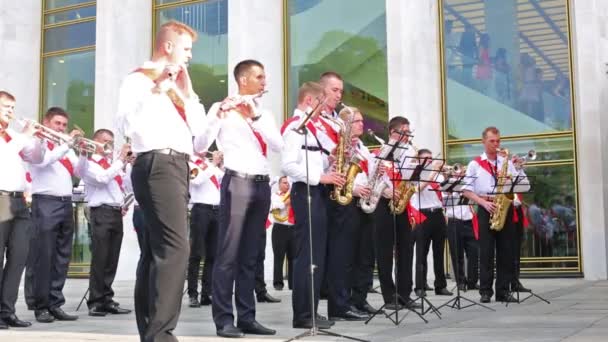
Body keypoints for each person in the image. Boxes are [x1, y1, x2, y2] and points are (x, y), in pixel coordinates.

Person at [114, 20, 207, 342]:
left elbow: (202, 138)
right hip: (157, 162)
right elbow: (127, 123)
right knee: (176, 248)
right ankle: (161, 334)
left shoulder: (179, 87)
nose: (190, 56)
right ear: (168, 47)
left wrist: (188, 93)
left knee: (157, 251)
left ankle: (151, 332)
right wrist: (156, 88)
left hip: (177, 164)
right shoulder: (139, 79)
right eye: (186, 49)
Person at [195, 60, 282, 338]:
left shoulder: (263, 113)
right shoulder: (220, 110)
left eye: (264, 77)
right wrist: (218, 114)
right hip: (236, 182)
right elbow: (199, 145)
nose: (264, 82)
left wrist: (254, 117)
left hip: (261, 184)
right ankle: (224, 320)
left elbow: (279, 146)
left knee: (251, 255)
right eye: (259, 77)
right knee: (228, 254)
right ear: (243, 79)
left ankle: (247, 317)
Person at [281, 81, 345, 329]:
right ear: (310, 100)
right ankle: (303, 314)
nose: (322, 109)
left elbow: (308, 160)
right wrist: (321, 177)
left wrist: (327, 162)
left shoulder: (309, 128)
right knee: (307, 255)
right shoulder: (296, 126)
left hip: (316, 191)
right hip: (305, 191)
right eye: (320, 103)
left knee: (316, 255)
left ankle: (312, 311)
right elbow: (288, 165)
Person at [462, 126, 530, 303]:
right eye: (492, 141)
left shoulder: (504, 161)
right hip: (486, 207)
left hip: (504, 208)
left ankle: (503, 291)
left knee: (506, 251)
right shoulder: (475, 164)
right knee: (485, 252)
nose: (496, 144)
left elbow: (520, 184)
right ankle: (485, 291)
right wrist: (483, 203)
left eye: (498, 141)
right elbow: (466, 191)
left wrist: (518, 169)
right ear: (483, 142)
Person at [26, 107, 81, 323]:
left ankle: (55, 303)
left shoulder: (65, 147)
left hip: (66, 203)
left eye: (64, 125)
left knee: (62, 258)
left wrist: (83, 154)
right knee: (44, 257)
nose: (61, 128)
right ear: (46, 123)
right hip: (45, 203)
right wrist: (67, 143)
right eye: (57, 123)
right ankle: (41, 306)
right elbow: (43, 160)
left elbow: (79, 171)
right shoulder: (37, 144)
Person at [0, 90, 45, 329]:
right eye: (6, 106)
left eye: (12, 107)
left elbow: (36, 158)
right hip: (0, 200)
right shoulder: (13, 138)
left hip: (19, 202)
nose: (11, 111)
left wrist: (36, 138)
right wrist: (25, 136)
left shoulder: (14, 135)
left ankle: (7, 311)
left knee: (18, 257)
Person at [77, 129, 132, 316]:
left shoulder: (112, 164)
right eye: (105, 141)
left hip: (116, 212)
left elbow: (126, 185)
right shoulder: (89, 164)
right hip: (100, 212)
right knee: (100, 258)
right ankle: (95, 301)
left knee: (112, 259)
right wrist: (120, 161)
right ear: (95, 142)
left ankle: (106, 298)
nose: (108, 145)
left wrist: (130, 164)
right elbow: (102, 179)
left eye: (111, 142)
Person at [373, 117, 420, 310]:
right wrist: (385, 190)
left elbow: (412, 181)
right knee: (385, 252)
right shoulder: (379, 153)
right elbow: (371, 179)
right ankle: (389, 296)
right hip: (383, 205)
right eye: (404, 133)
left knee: (406, 250)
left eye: (409, 133)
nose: (408, 137)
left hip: (402, 204)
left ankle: (404, 293)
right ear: (393, 132)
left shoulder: (408, 155)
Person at [347, 110, 378, 315]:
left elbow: (370, 173)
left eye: (361, 120)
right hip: (349, 202)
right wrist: (353, 189)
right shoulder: (343, 147)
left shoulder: (363, 148)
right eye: (356, 121)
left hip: (366, 204)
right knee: (349, 256)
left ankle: (361, 298)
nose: (361, 124)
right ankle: (346, 300)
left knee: (366, 255)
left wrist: (379, 172)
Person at [410, 149, 452, 298]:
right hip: (423, 215)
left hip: (438, 215)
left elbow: (444, 194)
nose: (429, 160)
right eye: (426, 158)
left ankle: (440, 286)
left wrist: (448, 176)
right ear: (419, 160)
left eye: (431, 158)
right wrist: (433, 172)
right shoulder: (415, 175)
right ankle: (419, 286)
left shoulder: (439, 176)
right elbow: (417, 189)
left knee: (439, 252)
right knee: (422, 252)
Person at [186, 151, 224, 308]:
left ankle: (207, 293)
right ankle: (193, 294)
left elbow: (223, 179)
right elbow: (196, 181)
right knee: (196, 253)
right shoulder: (190, 163)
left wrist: (219, 165)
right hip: (201, 209)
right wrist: (213, 165)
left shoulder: (208, 164)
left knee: (212, 254)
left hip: (217, 210)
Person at [444, 169, 480, 291]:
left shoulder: (468, 184)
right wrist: (454, 191)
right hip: (454, 221)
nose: (458, 174)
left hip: (468, 222)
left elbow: (475, 198)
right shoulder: (446, 186)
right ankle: (460, 281)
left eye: (460, 172)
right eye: (456, 171)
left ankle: (472, 281)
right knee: (457, 253)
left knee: (474, 253)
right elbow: (445, 202)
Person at [270, 176, 296, 291]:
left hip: (293, 227)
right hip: (279, 228)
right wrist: (286, 202)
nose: (287, 185)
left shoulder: (293, 195)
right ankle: (278, 283)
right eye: (285, 183)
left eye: (288, 183)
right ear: (279, 184)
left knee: (293, 257)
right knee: (279, 256)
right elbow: (275, 207)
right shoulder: (275, 195)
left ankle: (293, 283)